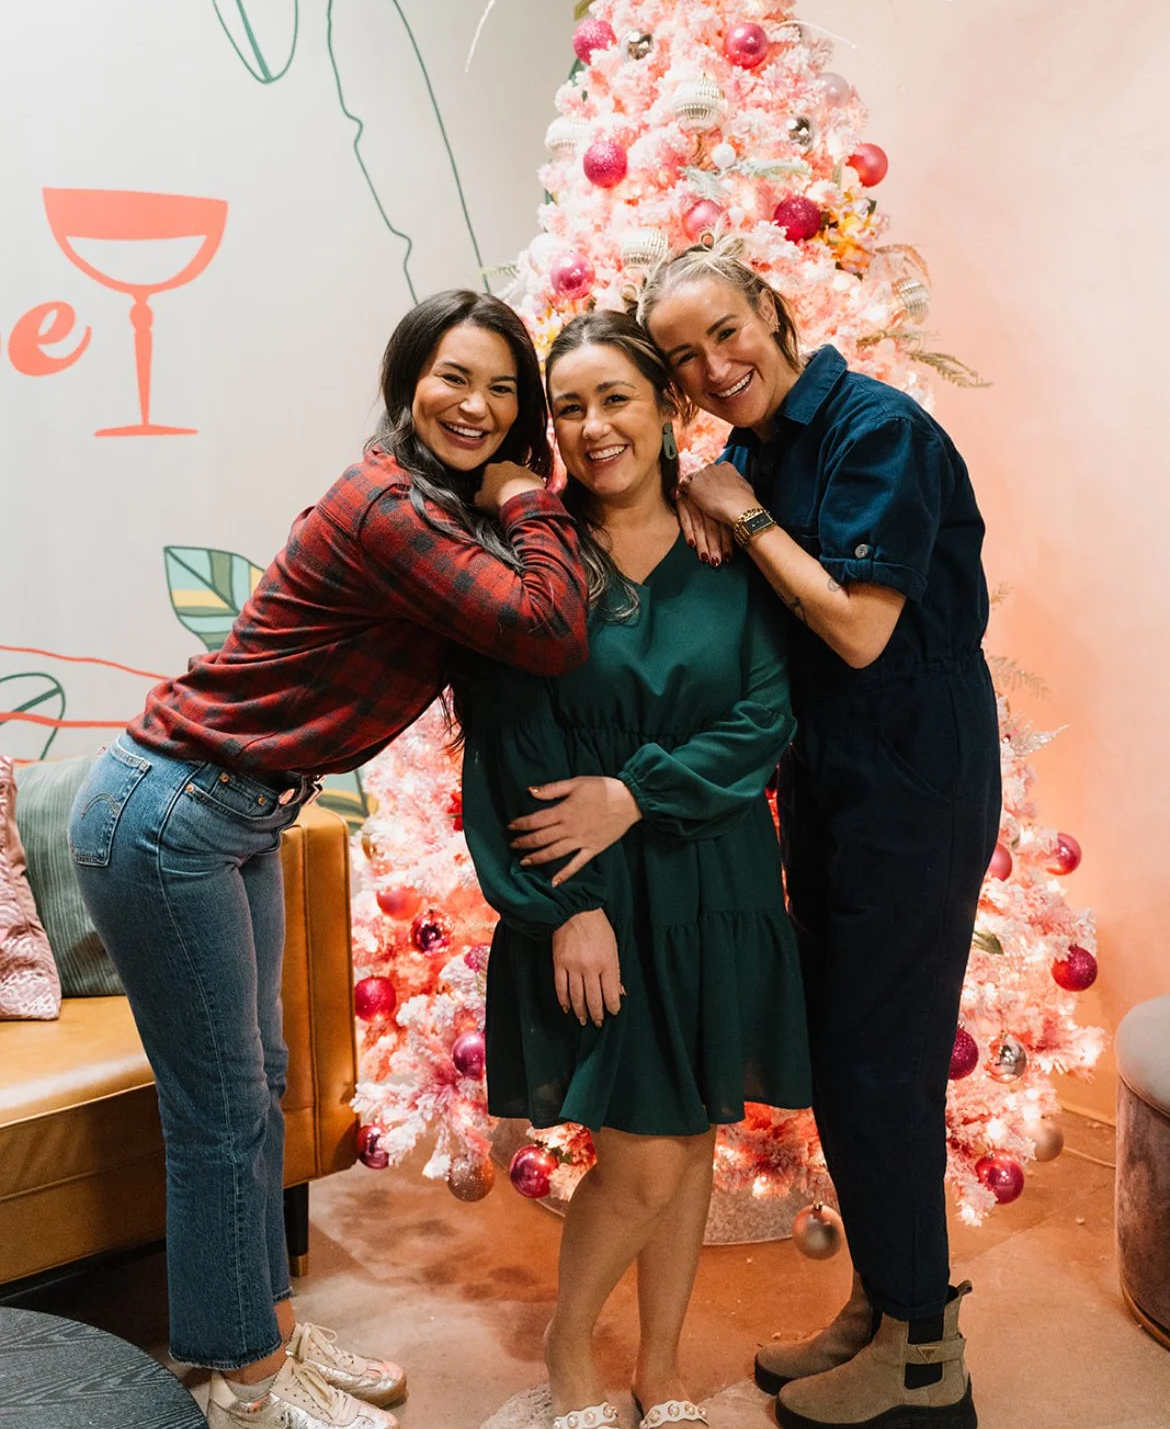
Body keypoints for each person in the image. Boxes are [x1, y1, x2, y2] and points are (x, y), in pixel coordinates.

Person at [67, 290, 589, 1429]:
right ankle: (241, 1379)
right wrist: (528, 494)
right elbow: (548, 625)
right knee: (219, 1110)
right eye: (458, 376)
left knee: (257, 1088)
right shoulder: (392, 506)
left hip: (230, 813)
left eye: (506, 389)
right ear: (410, 380)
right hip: (171, 815)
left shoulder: (431, 510)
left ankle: (272, 1335)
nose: (479, 404)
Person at [638, 241, 1000, 1429]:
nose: (712, 365)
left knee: (881, 1061)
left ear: (773, 312)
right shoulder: (758, 449)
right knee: (848, 1057)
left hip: (914, 767)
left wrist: (738, 515)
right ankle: (888, 1304)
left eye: (724, 333)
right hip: (831, 774)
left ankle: (926, 1358)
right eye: (685, 358)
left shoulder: (874, 429)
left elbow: (856, 630)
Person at [459, 311, 811, 1429]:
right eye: (569, 404)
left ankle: (660, 1367)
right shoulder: (537, 554)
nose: (594, 424)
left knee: (691, 1131)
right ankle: (570, 1346)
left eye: (617, 397)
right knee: (646, 1159)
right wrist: (568, 908)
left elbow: (765, 714)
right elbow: (513, 747)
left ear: (669, 408)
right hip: (599, 900)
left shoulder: (730, 549)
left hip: (717, 882)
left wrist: (637, 790)